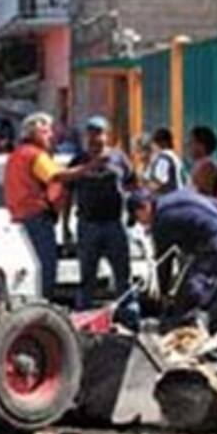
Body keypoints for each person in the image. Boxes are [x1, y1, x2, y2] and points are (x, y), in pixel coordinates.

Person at [4, 112, 100, 299]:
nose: (51, 136)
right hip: (36, 219)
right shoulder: (35, 155)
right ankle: (42, 304)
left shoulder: (17, 155)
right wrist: (89, 167)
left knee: (32, 268)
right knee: (46, 266)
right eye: (45, 132)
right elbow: (57, 176)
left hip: (21, 219)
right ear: (33, 133)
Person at [127, 188, 217, 332]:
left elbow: (164, 262)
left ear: (144, 207)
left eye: (139, 219)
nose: (142, 225)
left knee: (193, 292)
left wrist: (163, 296)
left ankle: (186, 334)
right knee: (212, 297)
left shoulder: (161, 219)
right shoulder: (177, 196)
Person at [62, 116, 139, 326]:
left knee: (123, 276)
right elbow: (67, 195)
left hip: (115, 225)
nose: (95, 138)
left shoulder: (120, 159)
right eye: (91, 134)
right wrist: (65, 228)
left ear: (107, 135)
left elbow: (133, 188)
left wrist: (133, 214)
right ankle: (82, 321)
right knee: (87, 277)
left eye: (99, 133)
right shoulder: (78, 161)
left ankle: (130, 320)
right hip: (88, 226)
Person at [144, 127, 185, 195]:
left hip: (172, 198)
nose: (151, 146)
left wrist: (142, 188)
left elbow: (158, 183)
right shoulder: (173, 155)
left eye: (153, 143)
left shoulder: (164, 158)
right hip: (179, 196)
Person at [188, 126, 217, 196]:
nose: (188, 145)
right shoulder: (199, 164)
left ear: (201, 145)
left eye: (192, 142)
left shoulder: (207, 166)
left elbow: (203, 192)